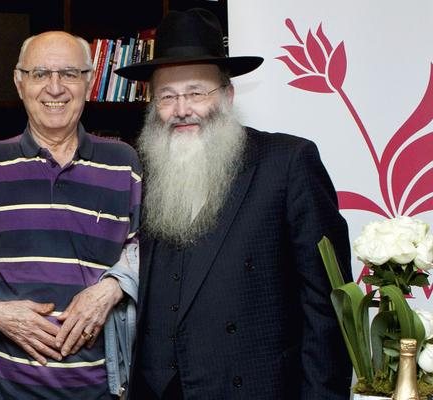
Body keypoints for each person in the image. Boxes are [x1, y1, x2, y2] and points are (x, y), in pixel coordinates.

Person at [114, 8, 353, 399]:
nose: (181, 109)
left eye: (196, 92)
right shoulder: (146, 171)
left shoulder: (287, 162)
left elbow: (327, 307)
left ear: (227, 95)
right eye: (167, 97)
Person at [0, 31, 142, 399]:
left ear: (88, 82)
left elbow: (144, 254)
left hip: (98, 391)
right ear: (19, 82)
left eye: (69, 74)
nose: (55, 88)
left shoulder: (124, 163)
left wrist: (109, 289)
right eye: (40, 74)